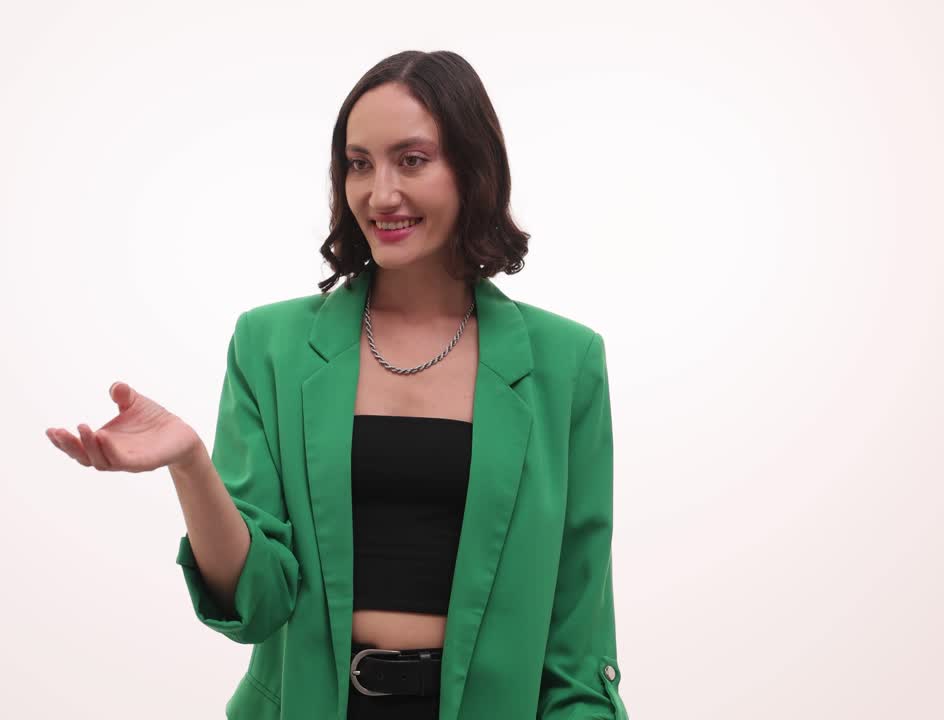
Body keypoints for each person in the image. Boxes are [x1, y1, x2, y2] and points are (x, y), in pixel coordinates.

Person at [46, 50, 629, 720]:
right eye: (359, 163)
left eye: (411, 160)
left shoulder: (566, 362)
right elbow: (256, 601)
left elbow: (577, 641)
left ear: (473, 169)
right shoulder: (272, 346)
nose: (380, 194)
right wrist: (190, 465)